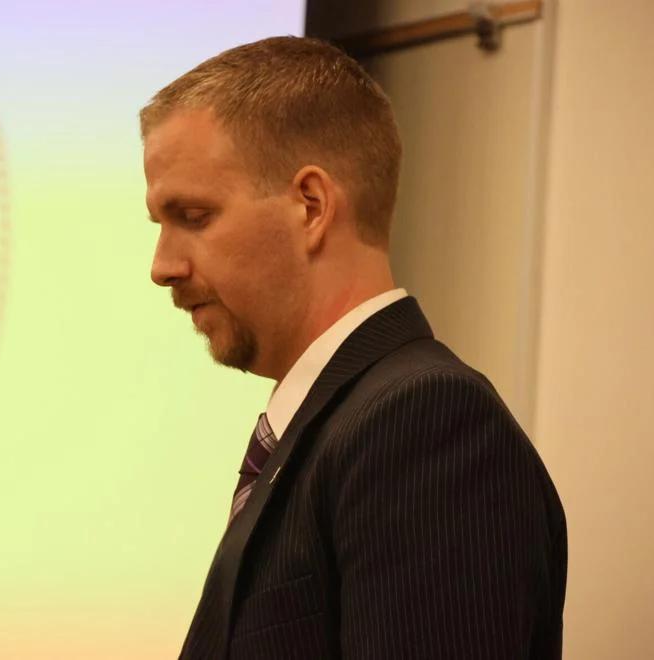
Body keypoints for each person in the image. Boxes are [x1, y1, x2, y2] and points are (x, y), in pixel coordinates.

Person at [140, 36, 566, 659]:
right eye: (161, 224)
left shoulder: (424, 422)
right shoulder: (336, 427)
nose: (162, 266)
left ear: (311, 206)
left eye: (195, 216)